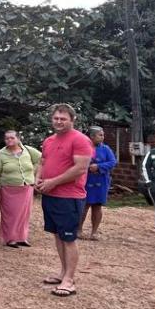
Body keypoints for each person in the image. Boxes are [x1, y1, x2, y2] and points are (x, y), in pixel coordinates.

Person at [35, 103, 94, 297]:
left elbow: (80, 168)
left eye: (63, 119)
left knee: (68, 238)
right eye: (56, 118)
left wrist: (53, 182)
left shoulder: (81, 140)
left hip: (69, 197)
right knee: (58, 235)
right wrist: (38, 178)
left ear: (72, 120)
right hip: (50, 195)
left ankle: (69, 280)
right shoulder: (49, 140)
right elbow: (43, 161)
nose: (59, 122)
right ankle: (62, 273)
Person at [0, 130, 41, 248]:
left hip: (26, 188)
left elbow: (41, 159)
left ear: (18, 138)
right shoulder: (0, 154)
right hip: (9, 189)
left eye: (12, 138)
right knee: (10, 214)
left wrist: (33, 171)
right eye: (7, 138)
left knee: (24, 214)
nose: (9, 140)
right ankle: (10, 238)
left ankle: (22, 237)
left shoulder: (27, 150)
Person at [79, 126, 117, 241]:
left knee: (97, 206)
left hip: (101, 181)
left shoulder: (106, 149)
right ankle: (78, 230)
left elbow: (112, 162)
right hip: (86, 180)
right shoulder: (83, 147)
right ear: (92, 136)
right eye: (100, 135)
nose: (103, 137)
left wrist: (99, 166)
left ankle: (94, 232)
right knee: (83, 206)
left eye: (103, 135)